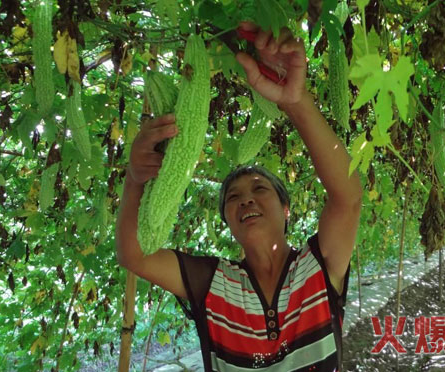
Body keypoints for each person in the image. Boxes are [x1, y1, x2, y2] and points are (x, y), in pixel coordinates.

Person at [116, 22, 362, 371]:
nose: (247, 199)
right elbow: (135, 255)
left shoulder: (317, 268)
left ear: (286, 209)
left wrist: (296, 100)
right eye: (233, 197)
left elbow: (347, 198)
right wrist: (134, 180)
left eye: (260, 189)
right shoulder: (214, 284)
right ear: (227, 222)